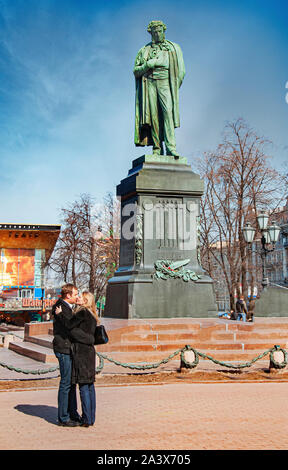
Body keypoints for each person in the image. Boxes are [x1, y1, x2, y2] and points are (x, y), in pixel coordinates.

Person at [134, 20, 185, 158]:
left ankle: (171, 147)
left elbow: (181, 72)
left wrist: (173, 86)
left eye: (160, 31)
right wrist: (147, 65)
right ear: (150, 33)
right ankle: (157, 148)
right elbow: (136, 71)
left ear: (164, 31)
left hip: (165, 83)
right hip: (149, 83)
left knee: (167, 113)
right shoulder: (144, 50)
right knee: (154, 116)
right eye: (154, 31)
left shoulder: (174, 48)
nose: (157, 34)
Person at [55, 291, 99, 427]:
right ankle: (91, 418)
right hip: (89, 352)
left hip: (81, 353)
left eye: (80, 297)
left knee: (84, 387)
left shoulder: (82, 313)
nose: (78, 298)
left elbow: (69, 327)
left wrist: (60, 314)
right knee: (90, 386)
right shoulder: (92, 315)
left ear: (85, 301)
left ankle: (86, 419)